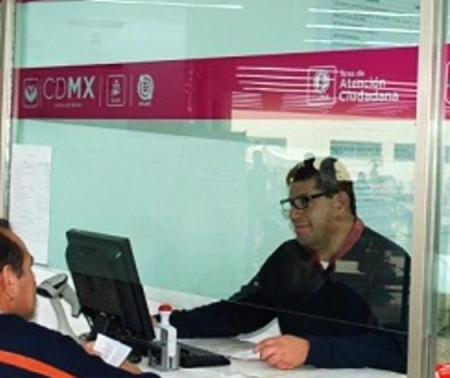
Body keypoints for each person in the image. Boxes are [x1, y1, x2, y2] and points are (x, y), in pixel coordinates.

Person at [168, 157, 410, 372]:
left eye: (304, 202)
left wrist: (311, 350)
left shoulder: (390, 262)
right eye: (291, 204)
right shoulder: (290, 257)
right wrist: (167, 322)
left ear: (340, 203)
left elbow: (397, 348)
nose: (294, 214)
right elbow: (239, 314)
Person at [0, 224, 160, 377]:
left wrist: (77, 359)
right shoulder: (33, 347)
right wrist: (132, 372)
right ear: (9, 280)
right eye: (29, 268)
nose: (34, 279)